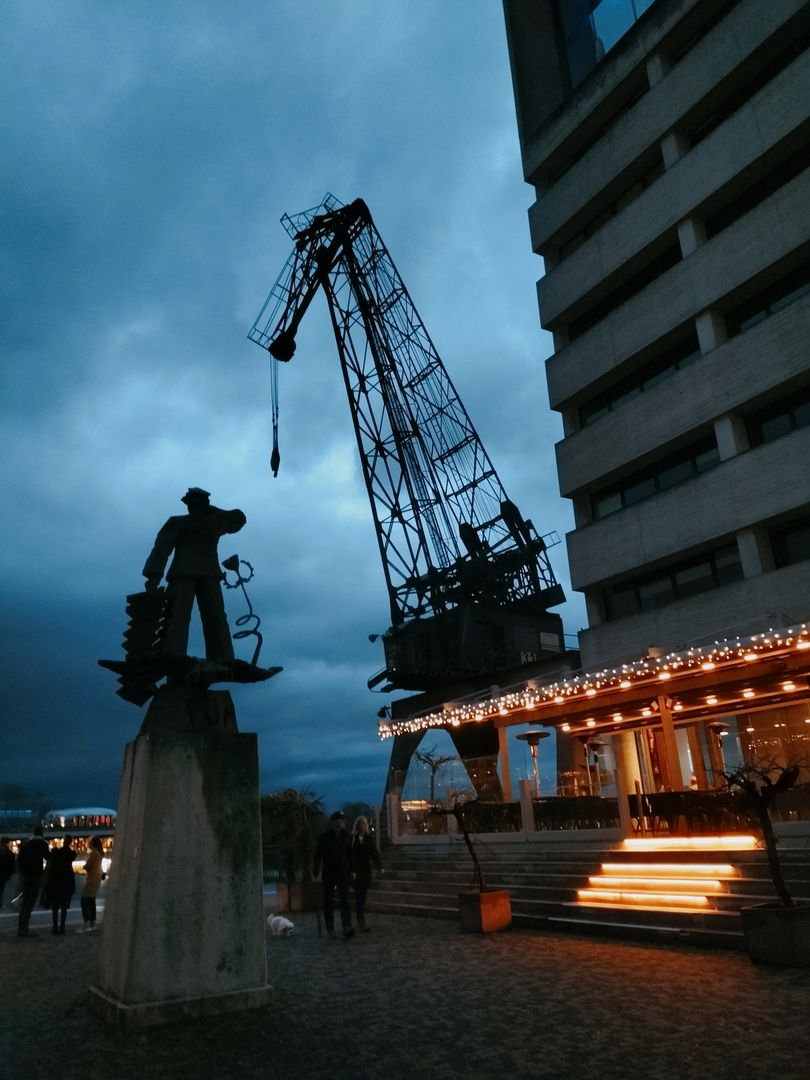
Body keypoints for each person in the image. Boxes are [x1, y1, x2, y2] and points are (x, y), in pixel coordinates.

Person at [143, 487, 246, 662]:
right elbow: (162, 550)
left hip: (191, 573)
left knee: (191, 616)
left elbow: (161, 551)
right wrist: (152, 576)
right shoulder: (209, 522)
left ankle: (177, 653)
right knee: (187, 615)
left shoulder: (202, 522)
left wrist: (153, 577)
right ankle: (220, 655)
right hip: (199, 574)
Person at [313, 811, 354, 941]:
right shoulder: (325, 837)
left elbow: (350, 855)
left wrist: (353, 870)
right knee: (328, 902)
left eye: (343, 820)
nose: (342, 822)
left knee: (344, 901)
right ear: (334, 821)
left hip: (342, 873)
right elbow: (318, 855)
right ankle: (330, 929)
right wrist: (316, 871)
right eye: (340, 820)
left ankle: (347, 927)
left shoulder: (347, 836)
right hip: (329, 873)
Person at [16, 826, 50, 937]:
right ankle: (25, 929)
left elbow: (19, 861)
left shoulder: (27, 844)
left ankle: (21, 928)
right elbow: (48, 857)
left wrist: (23, 872)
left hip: (26, 876)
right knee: (30, 903)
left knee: (25, 902)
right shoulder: (42, 844)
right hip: (36, 875)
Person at [351, 816, 383, 932]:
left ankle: (360, 920)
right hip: (356, 871)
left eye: (365, 824)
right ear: (358, 825)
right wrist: (352, 870)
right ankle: (360, 921)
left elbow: (374, 852)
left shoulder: (369, 839)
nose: (364, 826)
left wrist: (379, 866)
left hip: (365, 870)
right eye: (362, 824)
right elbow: (350, 855)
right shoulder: (353, 839)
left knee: (362, 896)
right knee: (358, 896)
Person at [46, 835, 76, 935]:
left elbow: (52, 868)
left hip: (56, 881)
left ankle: (55, 928)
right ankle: (62, 927)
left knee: (55, 907)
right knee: (64, 907)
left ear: (63, 841)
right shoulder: (72, 854)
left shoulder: (57, 853)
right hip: (67, 882)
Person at [78, 836, 104, 932]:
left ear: (93, 843)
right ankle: (92, 923)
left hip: (91, 879)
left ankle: (87, 922)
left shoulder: (94, 853)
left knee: (84, 901)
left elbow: (88, 866)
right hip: (96, 879)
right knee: (91, 901)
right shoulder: (99, 853)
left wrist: (84, 866)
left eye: (90, 842)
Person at [0, 836, 16, 908]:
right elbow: (12, 865)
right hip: (4, 873)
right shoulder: (10, 854)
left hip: (3, 873)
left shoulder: (9, 854)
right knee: (2, 888)